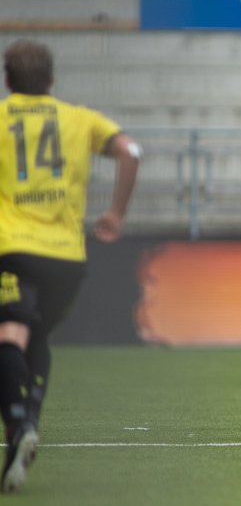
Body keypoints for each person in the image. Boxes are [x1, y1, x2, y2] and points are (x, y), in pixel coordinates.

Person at [0, 39, 140, 493]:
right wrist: (116, 213)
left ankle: (18, 426)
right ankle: (28, 428)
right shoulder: (78, 118)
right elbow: (130, 151)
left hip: (12, 248)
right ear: (52, 79)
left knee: (8, 336)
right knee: (35, 334)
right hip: (66, 255)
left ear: (7, 80)